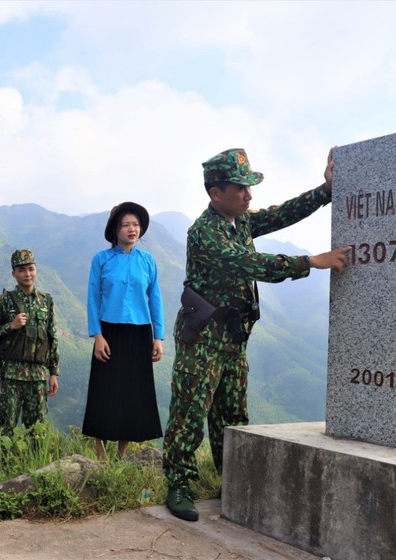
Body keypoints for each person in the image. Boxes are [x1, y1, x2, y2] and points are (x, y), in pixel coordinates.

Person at [162, 148, 350, 522]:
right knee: (190, 413)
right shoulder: (205, 231)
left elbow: (283, 213)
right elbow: (250, 263)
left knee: (231, 415)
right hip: (204, 339)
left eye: (250, 187)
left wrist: (326, 190)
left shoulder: (239, 221)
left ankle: (231, 480)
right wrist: (310, 261)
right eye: (240, 188)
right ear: (216, 193)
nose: (249, 195)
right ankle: (179, 485)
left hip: (233, 338)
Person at [82, 202, 164, 461]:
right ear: (116, 230)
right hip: (109, 332)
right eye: (126, 224)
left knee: (132, 390)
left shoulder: (147, 261)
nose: (132, 229)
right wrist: (97, 335)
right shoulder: (101, 259)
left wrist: (158, 337)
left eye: (136, 225)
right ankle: (100, 450)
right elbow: (93, 299)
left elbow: (155, 299)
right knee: (104, 389)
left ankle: (122, 453)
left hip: (140, 333)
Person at [0, 249, 60, 435]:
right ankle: (4, 462)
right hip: (12, 375)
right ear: (14, 273)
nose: (27, 274)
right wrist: (10, 326)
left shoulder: (46, 301)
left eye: (31, 269)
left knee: (37, 429)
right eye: (22, 270)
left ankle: (35, 463)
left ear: (36, 270)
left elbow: (52, 338)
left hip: (38, 376)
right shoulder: (5, 301)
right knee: (6, 428)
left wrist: (54, 372)